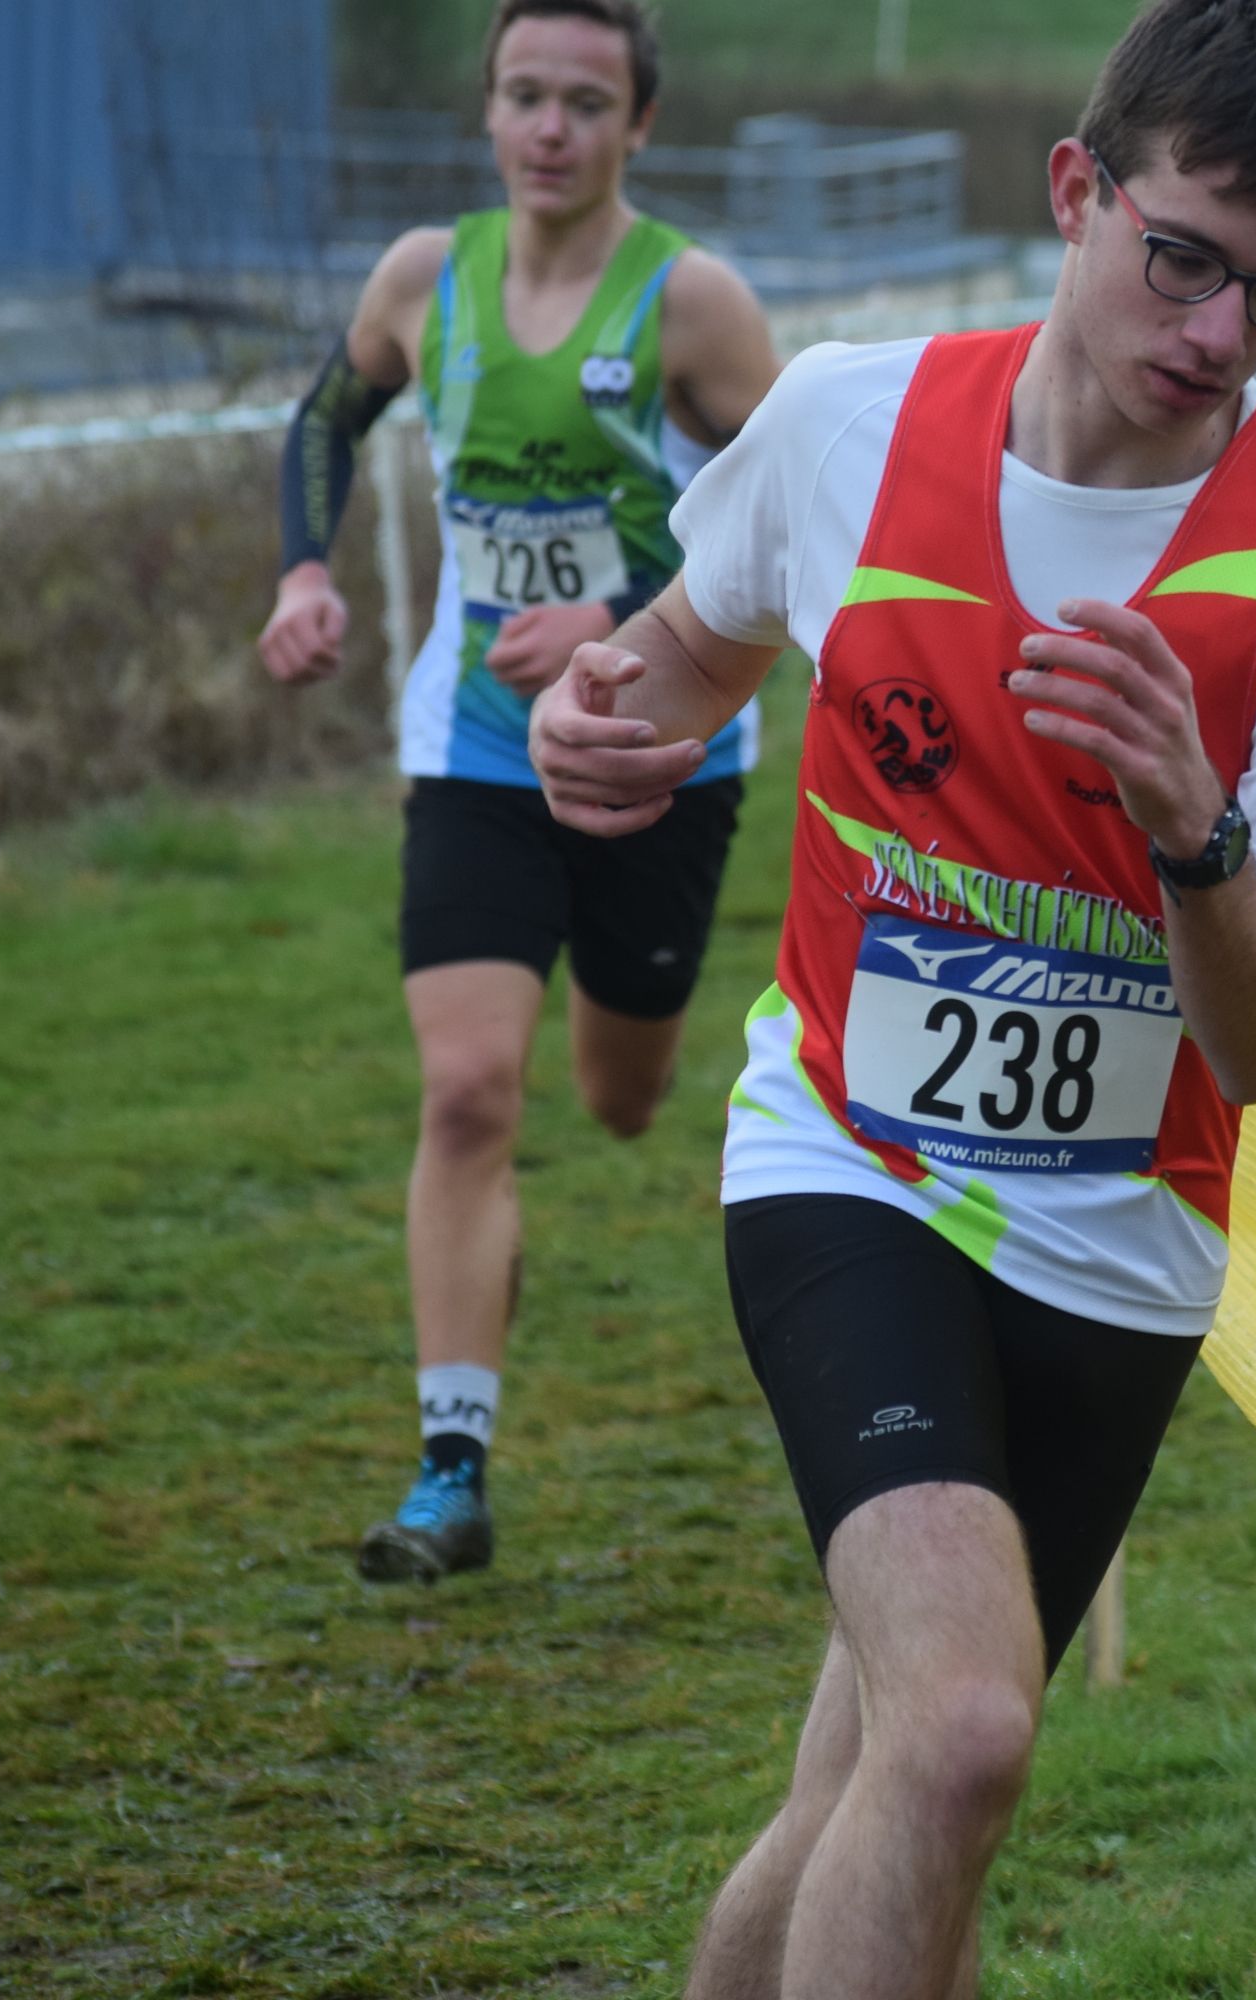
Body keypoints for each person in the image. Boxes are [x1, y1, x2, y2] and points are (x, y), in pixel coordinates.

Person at [530, 4, 1256, 1988]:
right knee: (957, 1728)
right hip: (847, 1161)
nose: (1219, 332)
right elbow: (679, 657)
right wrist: (592, 730)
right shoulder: (848, 423)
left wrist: (1193, 828)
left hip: (1120, 1243)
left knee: (870, 1791)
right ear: (1075, 192)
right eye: (1182, 258)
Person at [254, 0, 779, 1584]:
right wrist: (303, 572)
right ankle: (451, 1470)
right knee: (470, 1090)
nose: (552, 128)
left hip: (654, 750)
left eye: (587, 103)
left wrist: (623, 615)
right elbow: (325, 416)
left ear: (640, 124)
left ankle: (514, 1239)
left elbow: (800, 515)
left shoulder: (694, 303)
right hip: (478, 743)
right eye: (525, 95)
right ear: (486, 110)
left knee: (620, 1098)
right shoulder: (425, 281)